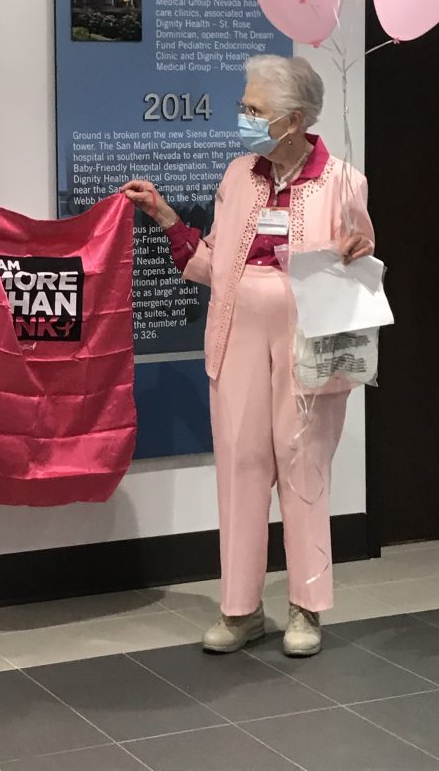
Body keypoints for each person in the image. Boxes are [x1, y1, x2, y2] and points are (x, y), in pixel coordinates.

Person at [123, 55, 374, 659]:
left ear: (292, 119)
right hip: (234, 338)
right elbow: (214, 264)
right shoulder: (238, 174)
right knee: (239, 466)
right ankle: (240, 610)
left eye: (254, 109)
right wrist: (163, 216)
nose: (243, 116)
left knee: (303, 465)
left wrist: (358, 250)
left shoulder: (343, 179)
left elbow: (359, 264)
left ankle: (306, 607)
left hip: (308, 343)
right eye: (245, 105)